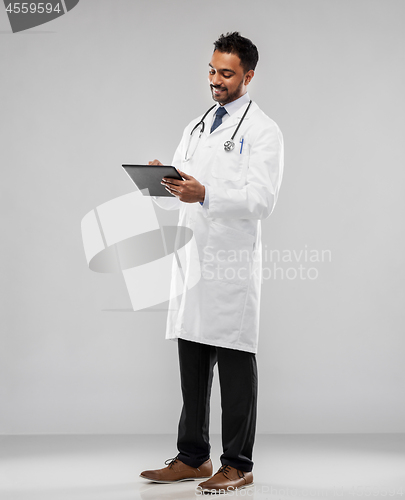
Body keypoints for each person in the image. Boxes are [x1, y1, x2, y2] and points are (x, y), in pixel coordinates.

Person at [139, 32, 284, 493]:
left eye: (226, 73)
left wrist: (207, 194)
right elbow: (184, 191)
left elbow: (262, 200)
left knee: (236, 366)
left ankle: (237, 464)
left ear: (248, 75)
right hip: (193, 260)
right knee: (192, 362)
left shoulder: (263, 131)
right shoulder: (199, 124)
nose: (215, 81)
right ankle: (192, 457)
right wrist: (165, 182)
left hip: (231, 268)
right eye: (212, 70)